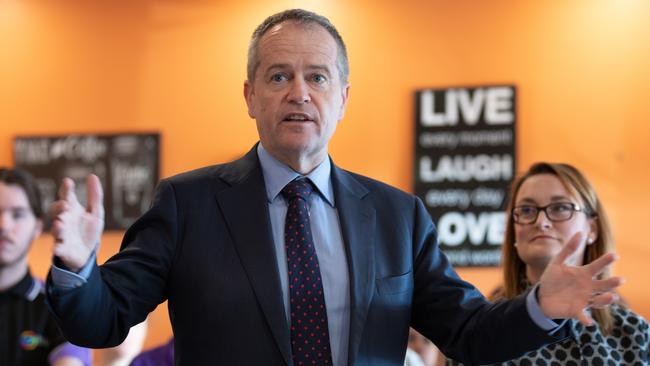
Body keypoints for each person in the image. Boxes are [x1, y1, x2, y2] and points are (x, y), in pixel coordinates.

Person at [46, 9, 622, 365]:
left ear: (342, 98)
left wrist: (542, 305)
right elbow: (103, 319)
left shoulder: (400, 216)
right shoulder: (187, 204)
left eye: (316, 76)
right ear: (249, 95)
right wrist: (76, 266)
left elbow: (468, 333)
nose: (299, 92)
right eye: (279, 76)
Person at [447, 162, 650, 365]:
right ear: (514, 232)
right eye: (526, 210)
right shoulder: (479, 333)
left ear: (592, 228)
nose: (541, 222)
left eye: (560, 208)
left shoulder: (635, 334)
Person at [0, 168, 91, 366]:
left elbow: (72, 359)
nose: (4, 225)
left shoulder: (59, 308)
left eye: (18, 214)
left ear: (37, 228)